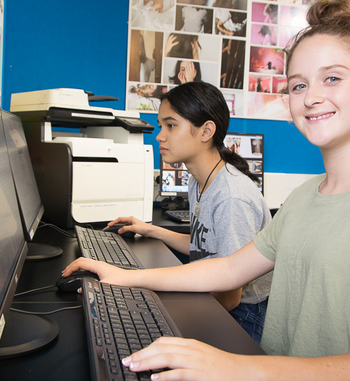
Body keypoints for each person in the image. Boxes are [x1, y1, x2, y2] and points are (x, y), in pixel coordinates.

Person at [64, 0, 350, 381]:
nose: (312, 96)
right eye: (298, 85)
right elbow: (229, 268)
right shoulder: (307, 196)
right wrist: (125, 277)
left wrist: (244, 369)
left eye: (333, 78)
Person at [102, 81, 272, 343]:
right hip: (218, 295)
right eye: (161, 126)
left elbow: (231, 295)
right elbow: (203, 245)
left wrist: (166, 310)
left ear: (206, 131)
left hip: (243, 314)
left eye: (171, 125)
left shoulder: (232, 197)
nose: (160, 135)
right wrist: (150, 229)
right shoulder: (199, 179)